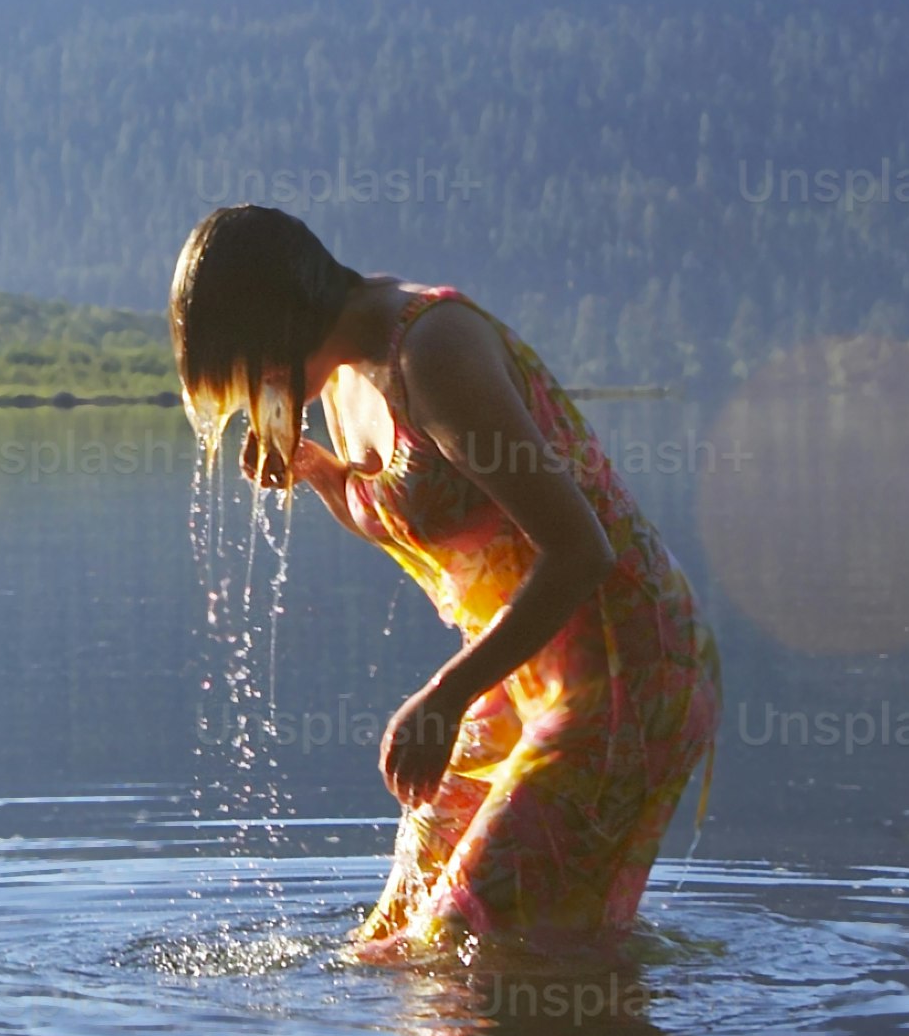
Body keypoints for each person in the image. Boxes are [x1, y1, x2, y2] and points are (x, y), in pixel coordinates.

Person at [172, 203, 719, 955]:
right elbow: (416, 514)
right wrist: (325, 477)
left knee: (469, 946)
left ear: (278, 321)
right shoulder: (335, 373)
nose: (255, 394)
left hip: (629, 669)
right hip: (525, 673)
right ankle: (566, 1024)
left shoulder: (432, 351)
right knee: (396, 936)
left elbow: (580, 551)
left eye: (249, 370)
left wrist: (446, 695)